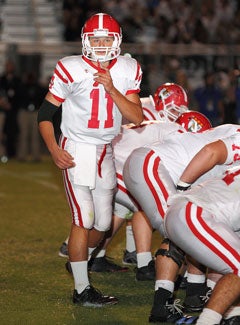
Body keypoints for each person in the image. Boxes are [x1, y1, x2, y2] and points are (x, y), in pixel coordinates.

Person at [37, 12, 143, 308]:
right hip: (78, 148)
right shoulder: (69, 68)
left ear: (117, 41)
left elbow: (136, 117)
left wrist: (112, 89)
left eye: (105, 39)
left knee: (105, 223)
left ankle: (78, 260)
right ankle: (82, 289)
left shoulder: (128, 69)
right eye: (94, 39)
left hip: (105, 149)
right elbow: (45, 115)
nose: (99, 44)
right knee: (83, 218)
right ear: (85, 41)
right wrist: (54, 149)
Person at [60, 82, 189, 277]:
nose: (176, 113)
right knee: (143, 206)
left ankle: (95, 255)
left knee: (118, 210)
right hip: (109, 157)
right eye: (174, 108)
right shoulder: (170, 127)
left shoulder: (164, 123)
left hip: (113, 158)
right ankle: (142, 263)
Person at [122, 120, 240, 323]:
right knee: (178, 232)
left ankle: (196, 295)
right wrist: (183, 188)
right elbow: (211, 151)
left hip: (155, 167)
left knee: (200, 236)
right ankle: (164, 304)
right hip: (155, 166)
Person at [165, 136, 240, 325]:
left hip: (187, 211)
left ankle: (232, 315)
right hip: (194, 214)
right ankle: (207, 322)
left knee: (234, 261)